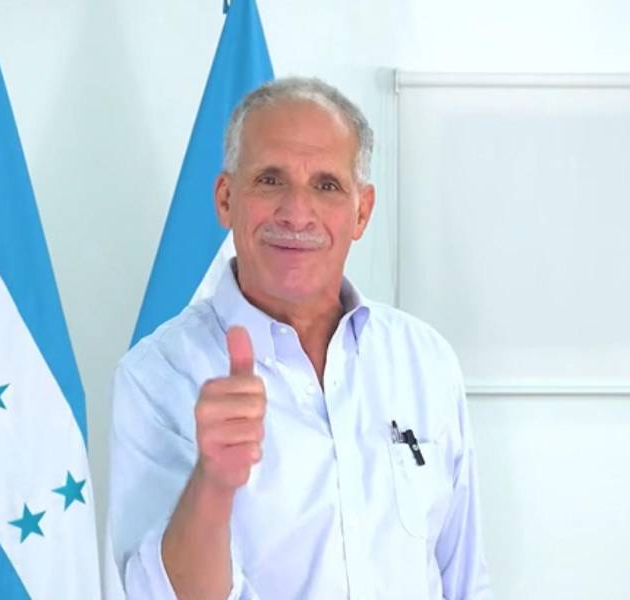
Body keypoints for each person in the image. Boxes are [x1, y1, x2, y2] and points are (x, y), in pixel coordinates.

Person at [108, 77, 492, 600]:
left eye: (326, 185)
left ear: (362, 211)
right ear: (226, 198)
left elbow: (463, 578)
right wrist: (213, 483)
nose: (296, 212)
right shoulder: (159, 375)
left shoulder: (424, 360)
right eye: (270, 180)